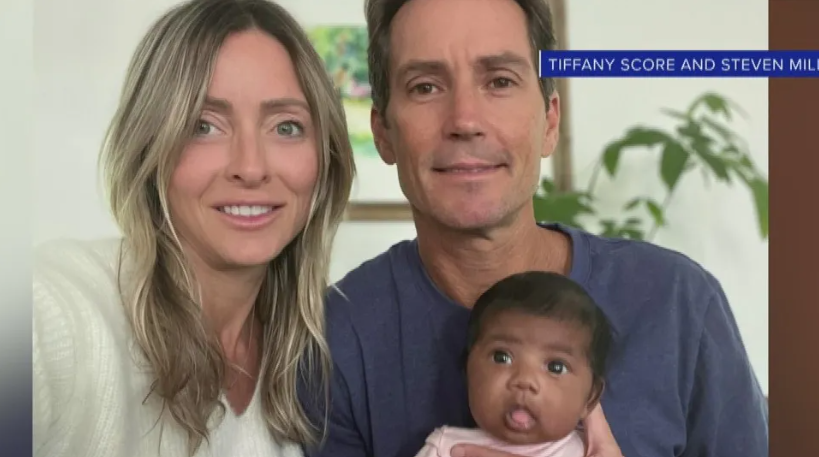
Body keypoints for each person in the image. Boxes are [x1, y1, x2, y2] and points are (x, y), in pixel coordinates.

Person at [300, 0, 769, 456]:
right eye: (425, 87)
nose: (465, 120)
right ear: (383, 132)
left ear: (550, 121)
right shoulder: (334, 339)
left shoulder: (678, 303)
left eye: (500, 81)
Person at [32, 1, 354, 456]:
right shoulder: (62, 312)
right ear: (149, 147)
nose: (251, 167)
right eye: (204, 125)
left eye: (286, 127)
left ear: (325, 158)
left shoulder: (316, 356)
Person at [415, 271, 611, 457]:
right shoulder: (445, 449)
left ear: (590, 399)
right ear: (467, 371)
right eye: (502, 357)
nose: (524, 380)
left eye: (556, 367)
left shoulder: (594, 452)